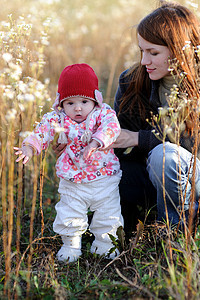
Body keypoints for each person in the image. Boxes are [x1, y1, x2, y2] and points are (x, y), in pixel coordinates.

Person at [14, 63, 124, 262]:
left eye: (84, 101)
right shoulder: (58, 118)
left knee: (108, 213)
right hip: (72, 179)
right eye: (70, 103)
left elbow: (112, 127)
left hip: (104, 177)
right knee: (69, 212)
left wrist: (96, 141)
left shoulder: (102, 114)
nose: (78, 108)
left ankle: (105, 244)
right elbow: (42, 131)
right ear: (61, 103)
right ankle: (71, 244)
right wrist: (29, 147)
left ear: (95, 99)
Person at [112, 1, 200, 235]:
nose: (144, 61)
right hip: (154, 178)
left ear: (181, 49)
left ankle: (177, 233)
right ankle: (121, 229)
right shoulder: (130, 81)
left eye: (153, 53)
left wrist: (140, 139)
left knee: (166, 157)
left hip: (194, 177)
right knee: (109, 172)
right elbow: (119, 143)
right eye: (142, 51)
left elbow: (190, 146)